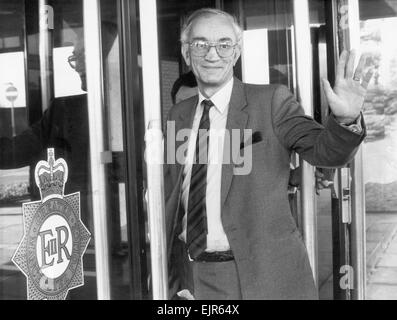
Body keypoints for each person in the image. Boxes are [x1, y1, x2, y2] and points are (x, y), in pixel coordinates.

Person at [163, 8, 371, 300]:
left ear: (236, 53)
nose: (213, 54)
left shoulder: (271, 101)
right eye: (200, 44)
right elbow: (178, 192)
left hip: (261, 276)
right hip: (194, 277)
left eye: (224, 44)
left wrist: (346, 121)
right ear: (187, 53)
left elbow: (326, 153)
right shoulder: (178, 114)